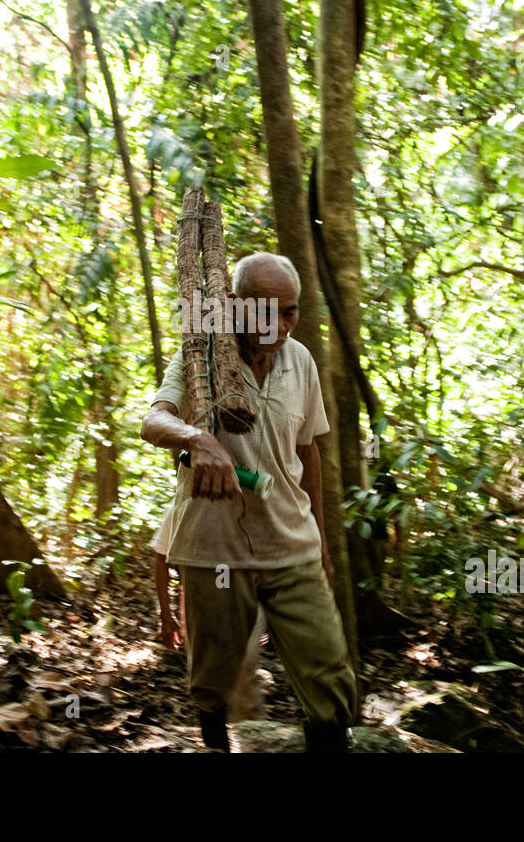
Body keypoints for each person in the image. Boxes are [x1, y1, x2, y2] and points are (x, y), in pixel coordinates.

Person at [140, 252, 356, 752]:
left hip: (291, 545)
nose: (279, 326)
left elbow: (309, 453)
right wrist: (197, 439)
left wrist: (320, 540)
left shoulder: (300, 361)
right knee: (213, 679)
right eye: (266, 311)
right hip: (214, 548)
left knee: (329, 677)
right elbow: (154, 421)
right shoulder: (200, 358)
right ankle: (215, 743)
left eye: (291, 312)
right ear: (234, 305)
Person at [151, 505, 265, 722]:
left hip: (245, 597)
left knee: (243, 676)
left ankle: (250, 736)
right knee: (206, 678)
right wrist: (165, 615)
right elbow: (160, 557)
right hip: (199, 601)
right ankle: (216, 741)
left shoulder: (251, 505)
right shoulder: (183, 504)